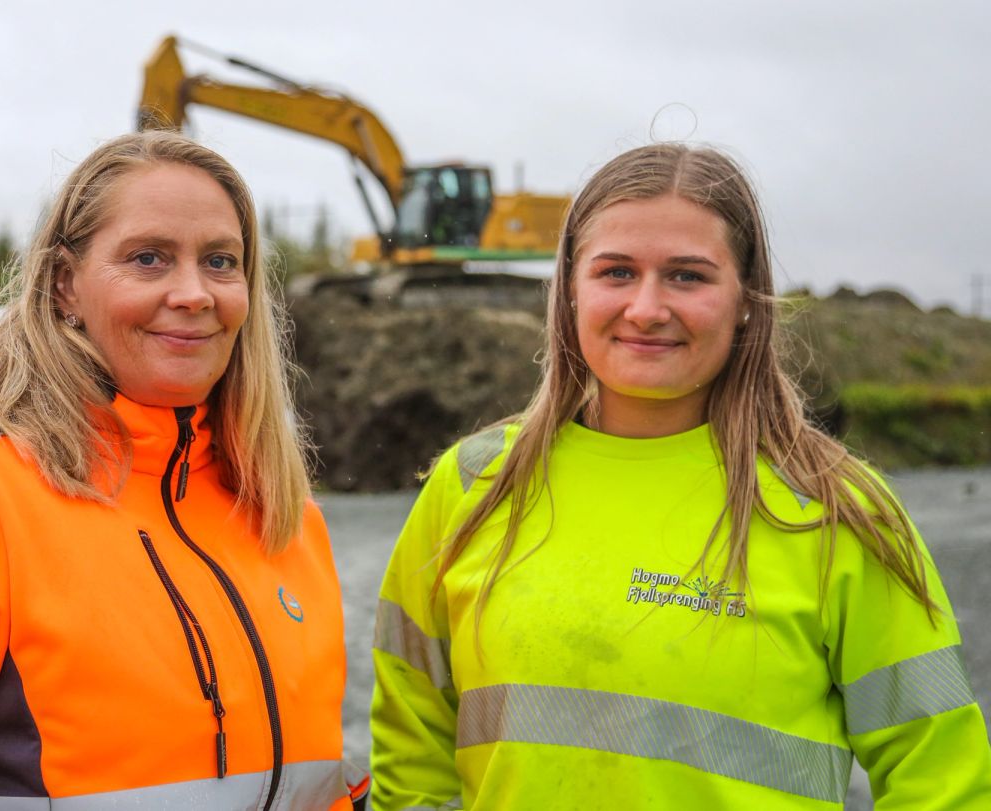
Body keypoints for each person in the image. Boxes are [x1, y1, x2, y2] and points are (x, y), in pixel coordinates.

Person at [369, 143, 991, 809]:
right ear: (569, 290)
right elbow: (410, 753)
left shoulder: (836, 507)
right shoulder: (474, 485)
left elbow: (940, 779)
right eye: (615, 272)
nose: (646, 307)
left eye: (687, 276)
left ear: (747, 299)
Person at [0, 131, 367, 809]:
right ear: (66, 282)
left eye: (220, 260)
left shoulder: (286, 518)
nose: (193, 292)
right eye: (148, 258)